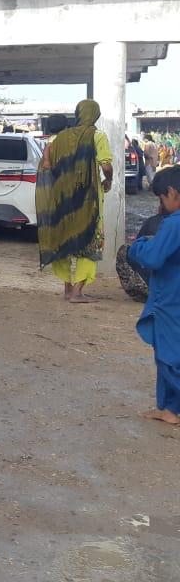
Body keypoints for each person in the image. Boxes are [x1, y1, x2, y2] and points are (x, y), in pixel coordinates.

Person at [36, 99, 114, 303]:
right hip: (88, 199)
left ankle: (67, 289)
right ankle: (78, 292)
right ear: (95, 115)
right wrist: (109, 180)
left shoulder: (61, 138)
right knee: (90, 239)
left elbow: (47, 163)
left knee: (64, 238)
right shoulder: (97, 136)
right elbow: (106, 166)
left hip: (62, 199)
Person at [128, 165, 180, 425]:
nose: (161, 205)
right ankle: (169, 408)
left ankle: (170, 406)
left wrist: (138, 246)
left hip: (170, 297)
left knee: (169, 355)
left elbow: (153, 258)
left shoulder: (175, 223)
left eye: (161, 198)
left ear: (171, 192)